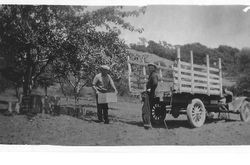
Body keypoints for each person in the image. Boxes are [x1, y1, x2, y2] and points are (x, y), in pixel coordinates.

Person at [142, 63, 158, 129]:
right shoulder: (151, 75)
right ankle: (148, 123)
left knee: (146, 109)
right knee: (147, 108)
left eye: (151, 67)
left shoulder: (153, 75)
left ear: (154, 68)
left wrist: (150, 89)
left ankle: (147, 124)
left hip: (150, 94)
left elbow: (155, 83)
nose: (149, 68)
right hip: (149, 94)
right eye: (149, 67)